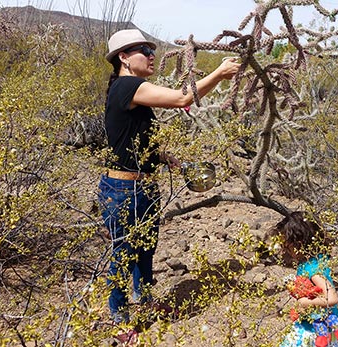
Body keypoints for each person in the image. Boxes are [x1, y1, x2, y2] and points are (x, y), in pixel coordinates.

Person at [97, 28, 240, 344]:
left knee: (146, 250)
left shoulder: (133, 93)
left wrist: (165, 156)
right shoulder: (127, 85)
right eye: (143, 50)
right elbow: (182, 98)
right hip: (123, 191)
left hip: (142, 188)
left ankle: (145, 302)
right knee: (123, 255)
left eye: (151, 50)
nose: (151, 55)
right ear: (123, 57)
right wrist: (220, 72)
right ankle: (119, 320)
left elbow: (131, 137)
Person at [271, 211, 338, 347]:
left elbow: (332, 299)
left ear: (298, 244)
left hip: (317, 327)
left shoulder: (313, 270)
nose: (286, 250)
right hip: (315, 320)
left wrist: (305, 302)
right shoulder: (312, 262)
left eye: (288, 246)